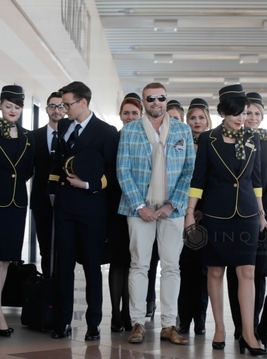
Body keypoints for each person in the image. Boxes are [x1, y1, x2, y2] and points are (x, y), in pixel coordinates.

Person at [185, 84, 267, 356]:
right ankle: (219, 327)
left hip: (246, 215)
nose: (241, 118)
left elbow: (255, 180)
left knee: (247, 272)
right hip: (216, 214)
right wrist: (190, 214)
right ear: (222, 112)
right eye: (236, 113)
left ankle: (248, 332)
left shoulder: (252, 139)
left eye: (244, 113)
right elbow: (198, 180)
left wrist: (261, 212)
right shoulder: (208, 139)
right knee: (216, 271)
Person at [117, 82, 195, 345]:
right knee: (139, 265)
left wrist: (173, 205)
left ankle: (169, 325)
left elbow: (189, 172)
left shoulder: (182, 130)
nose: (156, 102)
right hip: (139, 209)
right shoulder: (129, 131)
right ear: (143, 102)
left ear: (166, 100)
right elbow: (122, 170)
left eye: (161, 98)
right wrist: (140, 206)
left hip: (172, 211)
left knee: (172, 267)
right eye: (150, 99)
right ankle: (137, 323)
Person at [49, 81, 119, 341]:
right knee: (64, 265)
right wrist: (53, 194)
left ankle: (94, 323)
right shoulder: (64, 126)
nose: (63, 109)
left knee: (92, 267)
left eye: (67, 104)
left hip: (92, 207)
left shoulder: (106, 132)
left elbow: (112, 172)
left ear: (83, 103)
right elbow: (57, 163)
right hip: (65, 207)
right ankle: (63, 320)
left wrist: (88, 184)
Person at [0, 85, 35, 337]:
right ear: (0, 105)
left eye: (17, 106)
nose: (13, 110)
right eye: (8, 105)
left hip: (17, 205)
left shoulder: (28, 137)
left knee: (5, 261)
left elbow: (28, 170)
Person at [226, 92, 267, 339]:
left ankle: (254, 323)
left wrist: (264, 212)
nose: (253, 117)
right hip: (235, 215)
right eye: (248, 112)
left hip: (263, 216)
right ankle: (239, 325)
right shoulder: (233, 139)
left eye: (258, 113)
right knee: (234, 271)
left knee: (257, 272)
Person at [107, 93, 143, 332]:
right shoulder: (113, 139)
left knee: (135, 262)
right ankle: (115, 314)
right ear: (120, 115)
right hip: (116, 208)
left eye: (134, 113)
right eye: (126, 113)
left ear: (141, 115)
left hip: (141, 209)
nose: (130, 117)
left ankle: (130, 312)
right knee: (118, 261)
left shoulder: (146, 139)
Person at [178, 98, 212, 335]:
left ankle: (200, 318)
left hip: (207, 214)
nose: (197, 122)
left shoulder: (215, 143)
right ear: (186, 120)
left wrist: (202, 208)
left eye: (201, 117)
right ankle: (183, 318)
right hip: (182, 212)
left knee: (203, 270)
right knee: (183, 267)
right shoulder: (179, 142)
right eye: (192, 117)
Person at [30, 92, 66, 276]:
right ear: (46, 109)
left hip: (66, 201)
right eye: (52, 106)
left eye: (61, 106)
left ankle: (61, 296)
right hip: (41, 201)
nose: (56, 110)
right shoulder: (33, 136)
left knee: (64, 251)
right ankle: (47, 295)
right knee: (45, 248)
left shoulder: (71, 136)